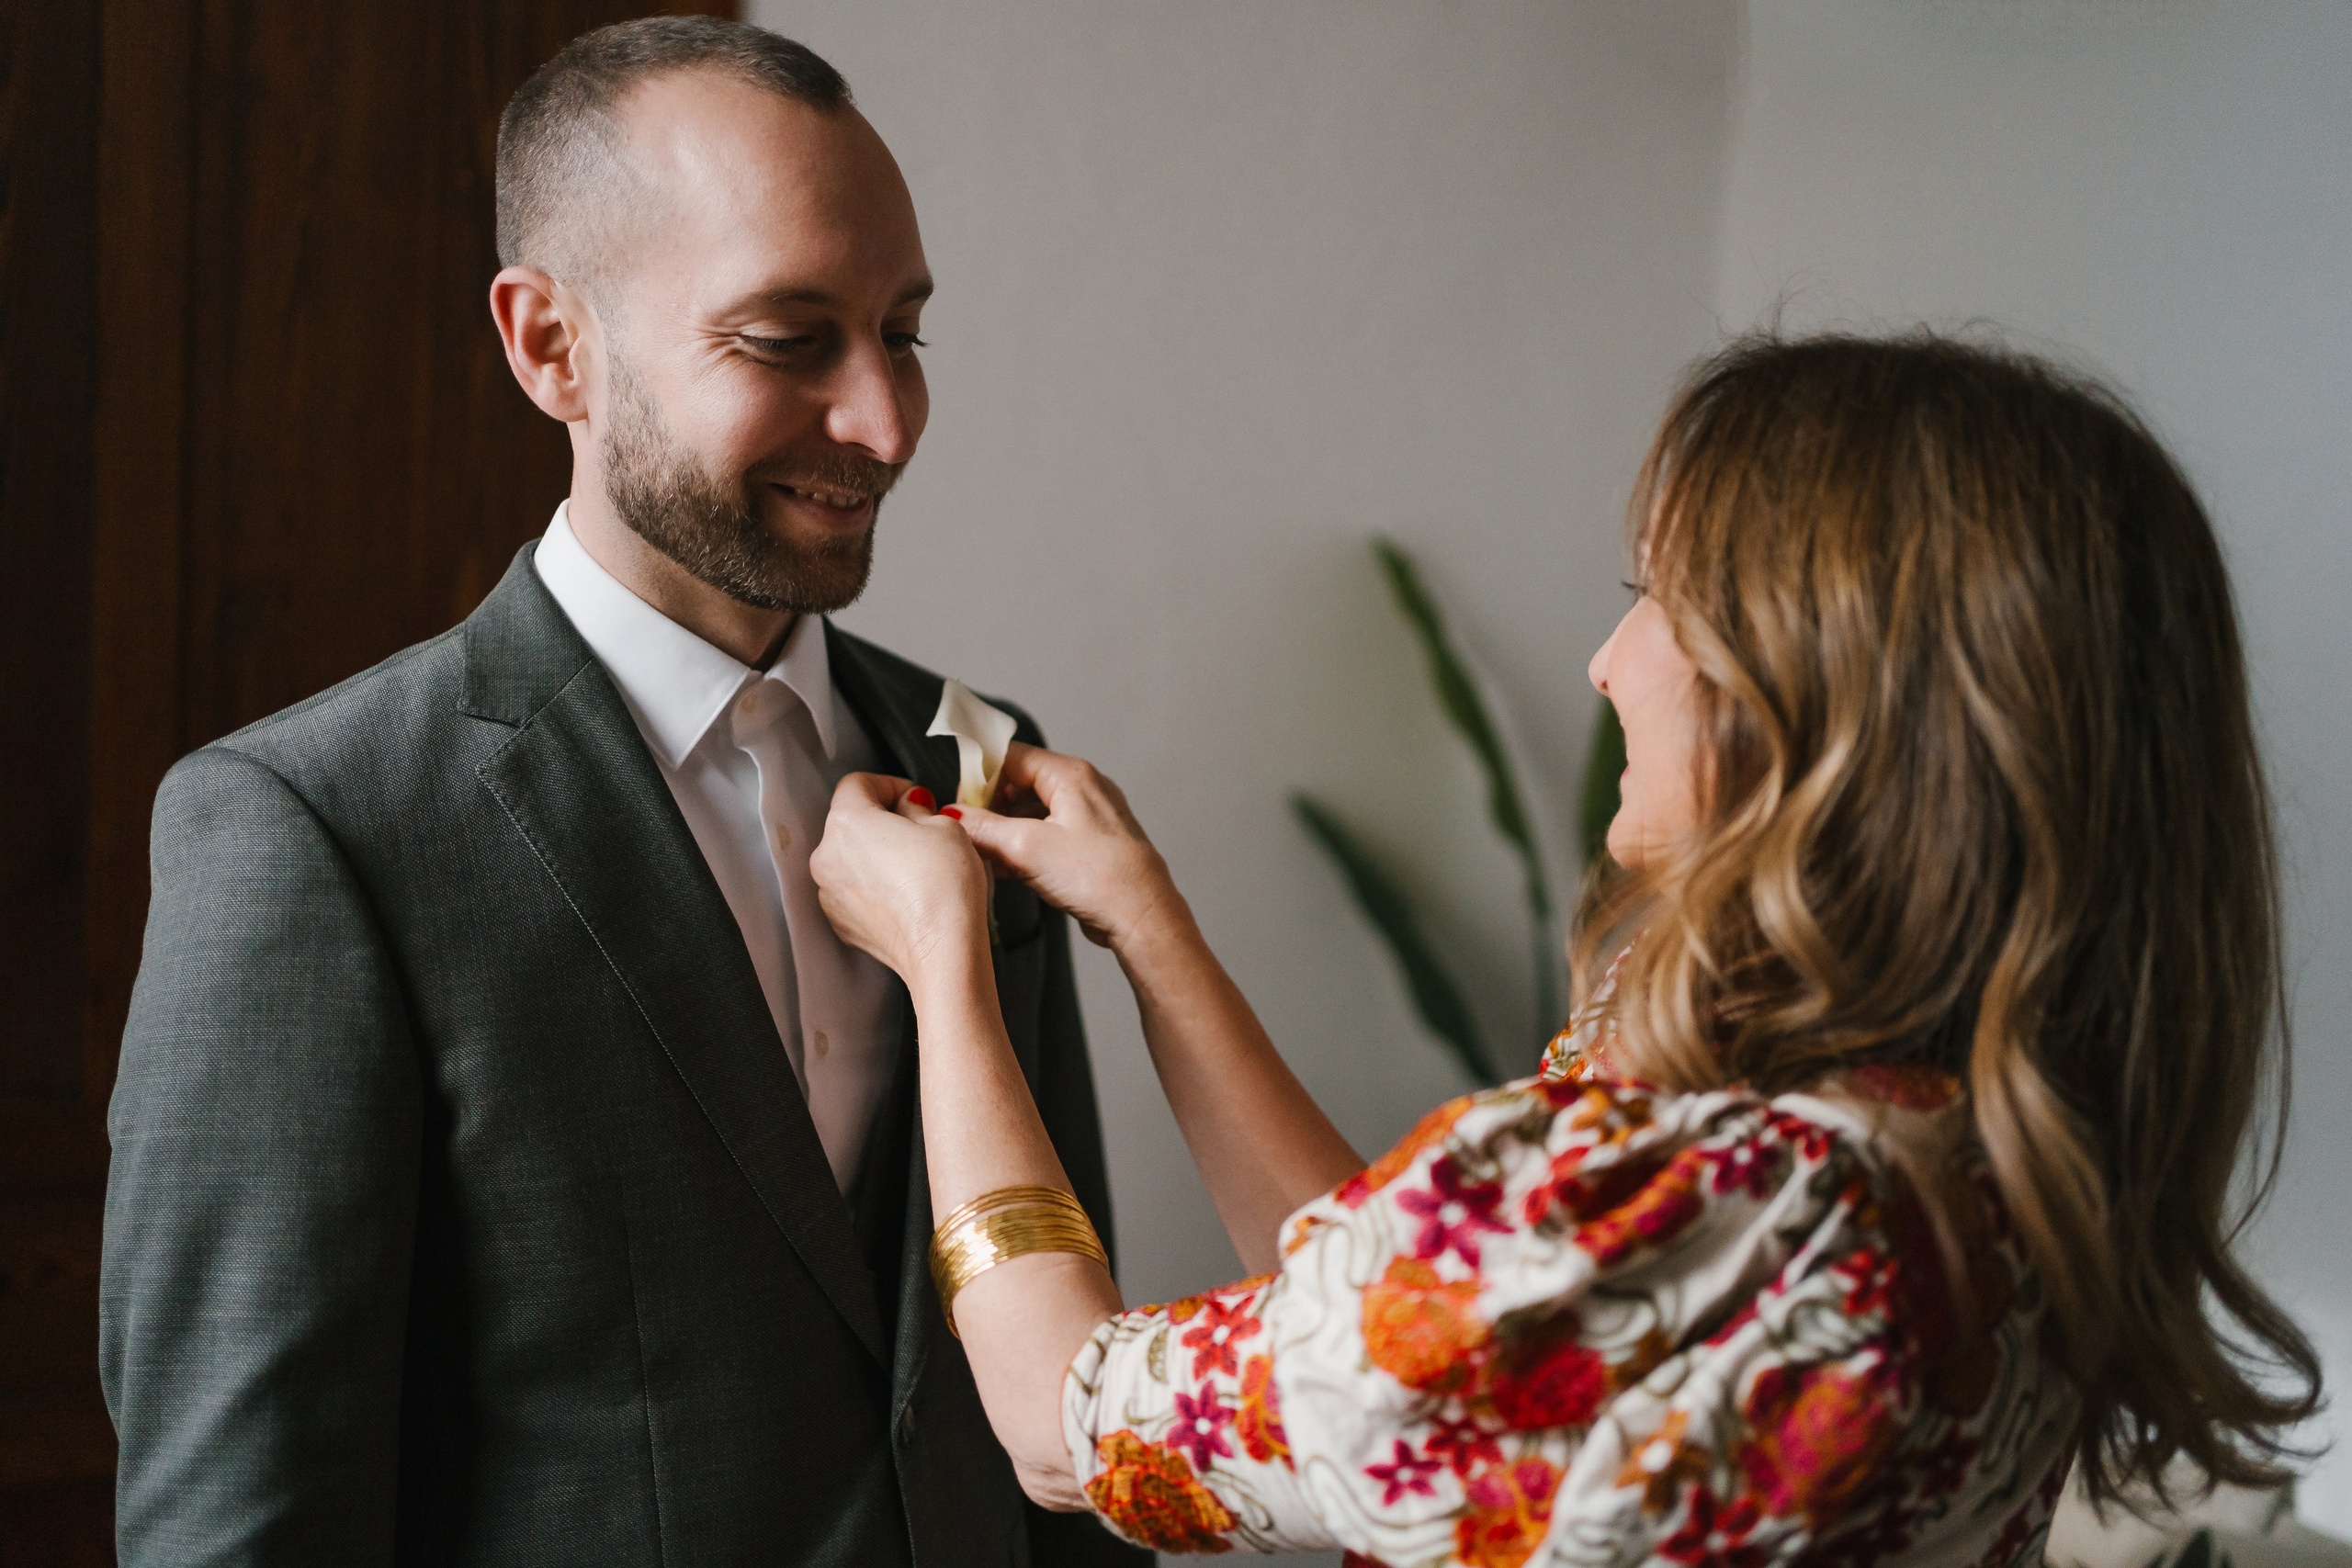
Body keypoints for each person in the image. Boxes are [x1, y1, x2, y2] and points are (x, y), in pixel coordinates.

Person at [808, 333, 2324, 1562]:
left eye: (1655, 599)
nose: (1608, 666)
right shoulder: (1992, 1149)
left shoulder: (1734, 1197)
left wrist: (949, 968)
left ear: (1812, 699)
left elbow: (1066, 1426)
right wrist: (1149, 929)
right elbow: (1403, 1330)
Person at [100, 17, 1144, 1568]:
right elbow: (238, 1527)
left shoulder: (973, 761)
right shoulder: (310, 831)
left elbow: (1074, 1402)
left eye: (904, 332)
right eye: (791, 340)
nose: (886, 421)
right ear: (550, 349)